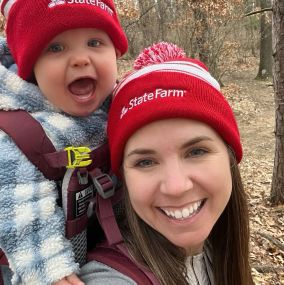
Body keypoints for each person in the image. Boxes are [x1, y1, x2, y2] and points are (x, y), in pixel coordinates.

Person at [80, 42, 254, 285]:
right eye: (145, 162)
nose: (176, 187)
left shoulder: (220, 249)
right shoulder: (110, 279)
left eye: (196, 151)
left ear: (230, 157)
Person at [0, 0, 127, 284]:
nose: (81, 59)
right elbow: (16, 210)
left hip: (104, 240)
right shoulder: (17, 132)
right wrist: (50, 271)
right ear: (30, 68)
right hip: (40, 259)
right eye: (56, 48)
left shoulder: (114, 103)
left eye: (95, 42)